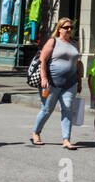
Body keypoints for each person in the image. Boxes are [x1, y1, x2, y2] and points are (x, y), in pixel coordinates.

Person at [32, 18, 81, 150]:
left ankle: (66, 139)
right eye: (66, 27)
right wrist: (43, 78)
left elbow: (77, 63)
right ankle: (36, 133)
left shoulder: (74, 43)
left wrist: (79, 80)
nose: (69, 30)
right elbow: (42, 60)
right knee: (47, 110)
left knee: (68, 110)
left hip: (70, 83)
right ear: (59, 29)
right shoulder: (53, 41)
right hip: (52, 83)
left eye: (71, 27)